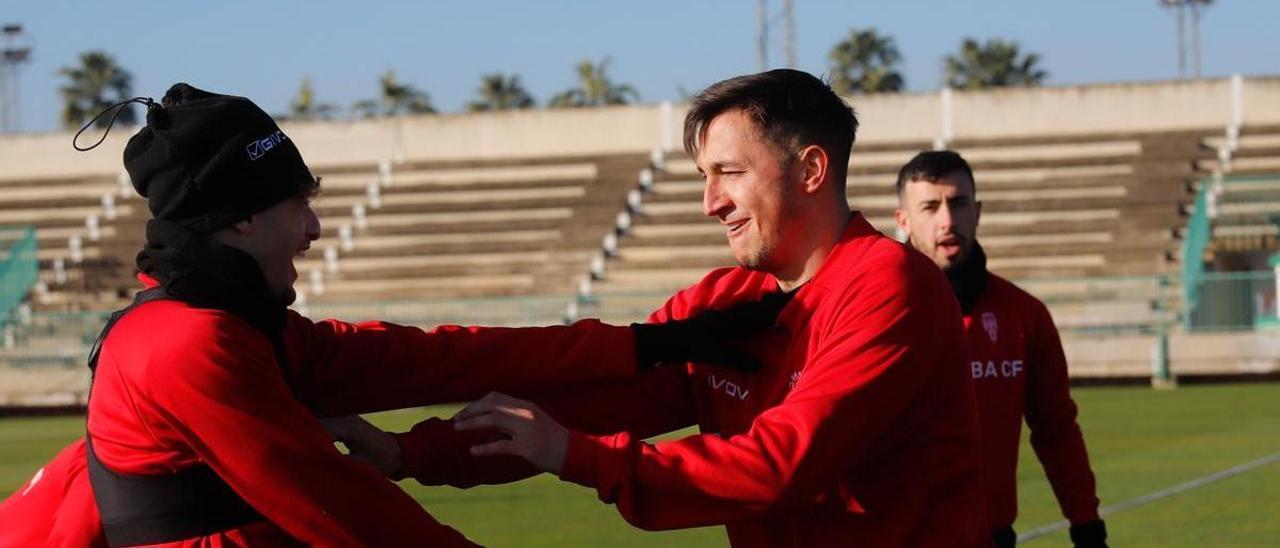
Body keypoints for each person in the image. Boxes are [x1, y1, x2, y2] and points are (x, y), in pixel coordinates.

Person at [0, 83, 783, 547]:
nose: (311, 230)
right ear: (239, 220)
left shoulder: (232, 323)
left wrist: (647, 345)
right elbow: (342, 512)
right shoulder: (187, 344)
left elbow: (440, 358)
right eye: (294, 206)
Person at [331, 69, 990, 547]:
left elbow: (782, 464)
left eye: (729, 173)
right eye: (703, 178)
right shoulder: (727, 301)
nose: (710, 203)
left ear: (812, 170)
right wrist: (410, 453)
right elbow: (596, 406)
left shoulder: (889, 285)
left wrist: (575, 455)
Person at [892, 150, 1107, 548]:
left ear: (978, 211)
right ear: (903, 220)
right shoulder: (874, 313)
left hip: (990, 537)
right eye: (930, 206)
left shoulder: (1024, 315)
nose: (947, 220)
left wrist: (1086, 524)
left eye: (958, 203)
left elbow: (1057, 430)